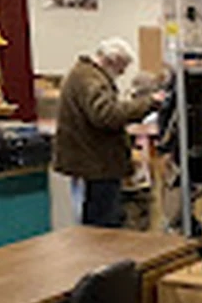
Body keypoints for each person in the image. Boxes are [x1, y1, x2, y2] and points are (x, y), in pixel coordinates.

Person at [53, 38, 165, 228]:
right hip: (95, 164)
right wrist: (149, 103)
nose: (122, 73)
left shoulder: (84, 75)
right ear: (111, 60)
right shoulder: (90, 79)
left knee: (97, 218)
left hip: (92, 161)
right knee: (102, 222)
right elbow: (106, 115)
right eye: (122, 67)